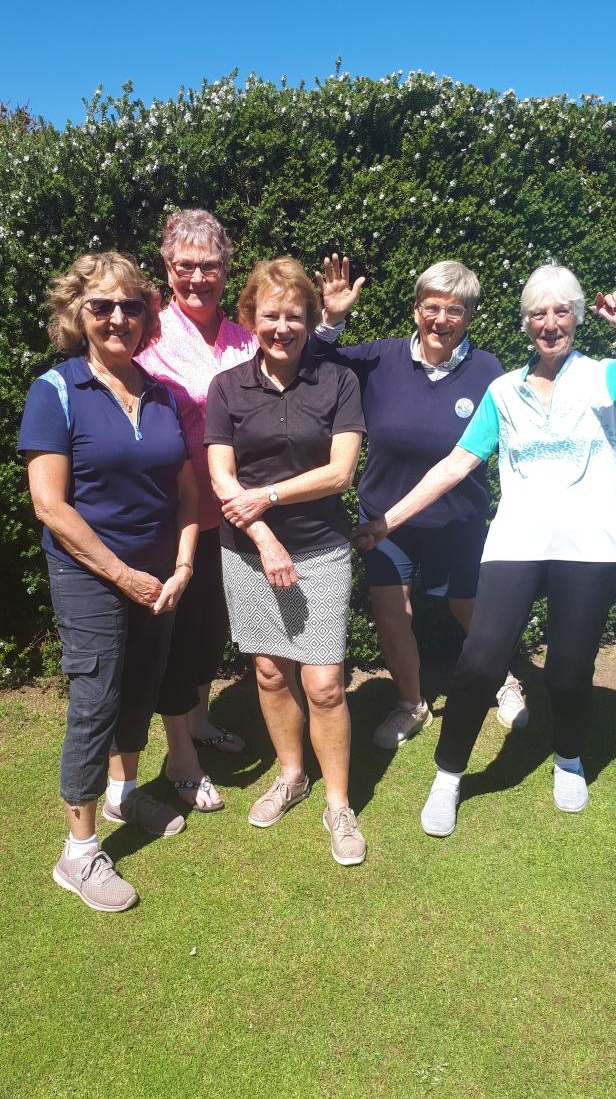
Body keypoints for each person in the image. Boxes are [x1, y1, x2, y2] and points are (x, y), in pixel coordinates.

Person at [354, 266, 616, 834]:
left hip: (590, 546)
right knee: (481, 661)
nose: (550, 324)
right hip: (516, 542)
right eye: (538, 313)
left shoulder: (608, 377)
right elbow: (456, 465)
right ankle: (448, 776)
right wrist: (387, 522)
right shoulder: (503, 390)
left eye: (561, 312)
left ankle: (568, 757)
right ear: (526, 323)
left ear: (579, 318)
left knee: (568, 672)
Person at [137, 210, 349, 809]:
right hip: (180, 511)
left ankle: (202, 721)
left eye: (210, 266)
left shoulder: (241, 335)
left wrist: (330, 322)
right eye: (185, 266)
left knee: (209, 633)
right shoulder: (149, 337)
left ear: (226, 271)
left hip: (238, 517)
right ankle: (181, 755)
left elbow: (297, 366)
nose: (197, 278)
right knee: (179, 636)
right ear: (167, 269)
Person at [18, 251, 199, 911]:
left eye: (132, 306)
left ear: (148, 315)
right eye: (102, 305)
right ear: (79, 313)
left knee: (141, 686)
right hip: (91, 573)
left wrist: (182, 566)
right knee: (96, 699)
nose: (118, 317)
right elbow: (50, 506)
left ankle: (124, 795)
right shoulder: (56, 390)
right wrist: (123, 575)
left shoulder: (163, 394)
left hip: (158, 576)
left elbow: (187, 493)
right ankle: (79, 853)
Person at [313, 256, 527, 748]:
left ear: (469, 317)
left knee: (469, 607)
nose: (441, 320)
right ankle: (411, 704)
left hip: (457, 518)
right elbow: (312, 366)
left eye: (455, 310)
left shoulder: (487, 370)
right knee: (393, 613)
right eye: (432, 307)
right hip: (383, 517)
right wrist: (332, 321)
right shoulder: (380, 359)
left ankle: (504, 678)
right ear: (416, 309)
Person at [205, 257, 367, 865]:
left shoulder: (338, 381)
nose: (282, 327)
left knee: (324, 683)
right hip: (248, 553)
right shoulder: (227, 388)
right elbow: (221, 475)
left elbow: (340, 472)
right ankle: (292, 776)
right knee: (271, 673)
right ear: (250, 317)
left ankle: (339, 804)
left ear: (309, 319)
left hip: (321, 548)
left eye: (294, 316)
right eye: (270, 315)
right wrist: (264, 536)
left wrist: (268, 497)